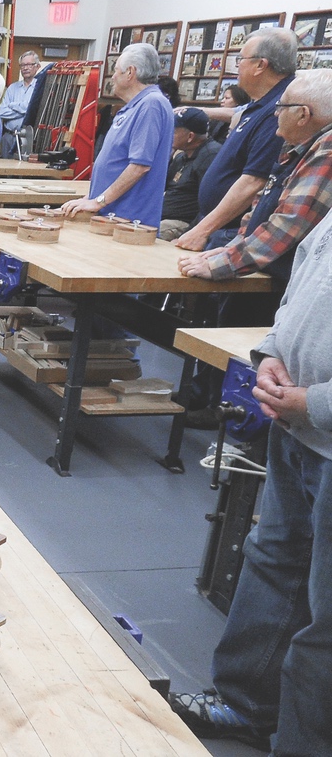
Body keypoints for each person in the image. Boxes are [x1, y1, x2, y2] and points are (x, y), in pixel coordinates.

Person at [167, 197, 332, 755]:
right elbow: (301, 283)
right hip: (298, 427)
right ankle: (244, 704)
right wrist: (270, 351)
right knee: (273, 564)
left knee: (327, 620)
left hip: (318, 421)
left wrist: (318, 401)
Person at [178, 70, 332, 283]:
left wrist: (222, 264)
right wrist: (231, 248)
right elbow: (263, 204)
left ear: (303, 115)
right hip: (258, 273)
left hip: (275, 286)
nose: (276, 114)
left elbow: (289, 223)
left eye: (281, 106)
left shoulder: (327, 151)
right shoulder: (297, 146)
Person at [174, 28, 297, 252]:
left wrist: (203, 230)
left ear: (261, 65)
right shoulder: (259, 103)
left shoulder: (278, 110)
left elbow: (254, 181)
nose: (235, 66)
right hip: (215, 227)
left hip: (231, 234)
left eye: (240, 59)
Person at [62, 43, 173, 226]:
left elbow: (140, 166)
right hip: (110, 214)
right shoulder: (134, 106)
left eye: (116, 70)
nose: (112, 77)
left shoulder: (151, 104)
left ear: (130, 72)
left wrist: (98, 202)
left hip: (127, 219)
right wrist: (89, 198)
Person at [158, 107, 220, 241]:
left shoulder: (210, 156)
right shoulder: (181, 156)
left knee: (153, 232)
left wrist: (191, 233)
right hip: (163, 216)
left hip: (184, 223)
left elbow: (210, 204)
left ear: (190, 136)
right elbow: (162, 187)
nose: (169, 135)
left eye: (173, 132)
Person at [0, 51, 40, 158]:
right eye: (22, 65)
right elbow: (2, 112)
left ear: (37, 66)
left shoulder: (40, 88)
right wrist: (25, 111)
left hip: (29, 140)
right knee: (5, 170)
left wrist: (13, 105)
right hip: (9, 137)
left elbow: (34, 110)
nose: (25, 68)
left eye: (29, 65)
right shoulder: (12, 88)